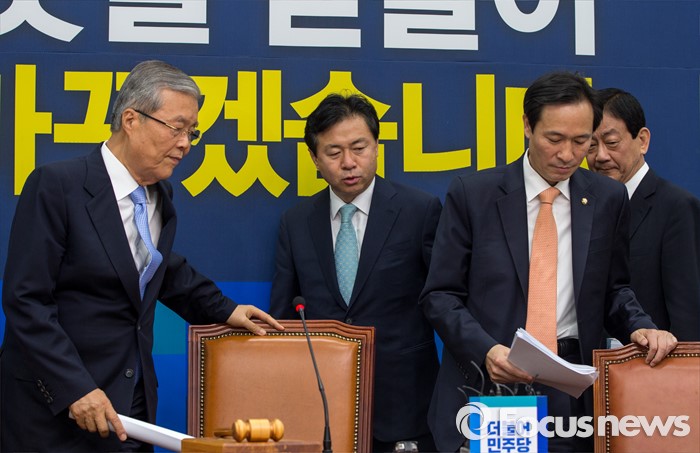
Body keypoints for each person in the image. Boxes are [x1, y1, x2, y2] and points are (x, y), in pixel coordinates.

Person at [0, 60, 283, 452]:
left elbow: (154, 265)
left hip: (131, 403)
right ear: (131, 119)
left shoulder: (159, 194)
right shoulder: (57, 186)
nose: (185, 143)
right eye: (177, 128)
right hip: (57, 409)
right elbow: (26, 301)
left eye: (192, 132)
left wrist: (226, 309)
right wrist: (75, 387)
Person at [419, 72, 678, 452]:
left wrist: (641, 327)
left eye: (581, 141)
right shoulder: (475, 195)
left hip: (573, 386)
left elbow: (614, 289)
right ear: (528, 125)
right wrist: (487, 350)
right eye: (554, 139)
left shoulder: (607, 198)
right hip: (497, 381)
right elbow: (440, 295)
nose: (568, 155)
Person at [269, 93, 441, 452]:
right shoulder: (296, 222)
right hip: (321, 404)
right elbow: (284, 315)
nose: (349, 163)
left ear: (376, 147)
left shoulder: (419, 210)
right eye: (334, 152)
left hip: (404, 402)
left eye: (359, 148)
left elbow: (443, 298)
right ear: (314, 158)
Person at [587, 88, 700, 341]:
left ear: (642, 141)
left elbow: (688, 316)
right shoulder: (583, 207)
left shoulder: (677, 208)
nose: (601, 156)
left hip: (651, 360)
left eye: (612, 143)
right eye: (591, 145)